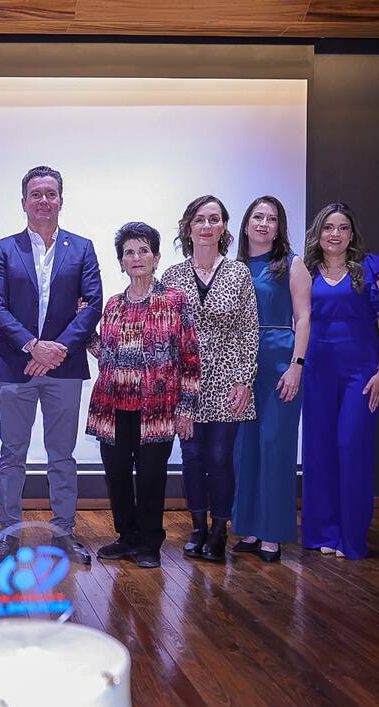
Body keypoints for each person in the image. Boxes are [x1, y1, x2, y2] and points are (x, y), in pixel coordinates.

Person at [0, 165, 103, 566]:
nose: (44, 201)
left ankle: (65, 533)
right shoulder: (4, 248)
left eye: (50, 194)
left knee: (62, 455)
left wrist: (57, 351)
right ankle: (7, 534)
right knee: (12, 454)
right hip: (17, 366)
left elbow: (92, 306)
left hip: (65, 369)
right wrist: (33, 346)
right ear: (23, 202)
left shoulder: (82, 248)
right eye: (36, 194)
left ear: (61, 200)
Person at [86, 222, 201, 568]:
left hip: (157, 408)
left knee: (152, 477)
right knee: (118, 476)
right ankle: (127, 537)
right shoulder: (113, 305)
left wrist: (187, 408)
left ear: (156, 257)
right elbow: (105, 352)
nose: (136, 258)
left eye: (143, 250)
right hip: (112, 407)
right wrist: (82, 326)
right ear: (121, 262)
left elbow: (191, 357)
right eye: (129, 252)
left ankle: (150, 542)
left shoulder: (174, 301)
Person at [161, 195, 259, 563]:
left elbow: (249, 329)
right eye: (200, 219)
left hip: (228, 381)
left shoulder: (238, 273)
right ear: (189, 228)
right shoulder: (172, 277)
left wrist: (245, 379)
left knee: (219, 458)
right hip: (186, 384)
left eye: (214, 219)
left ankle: (220, 531)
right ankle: (197, 527)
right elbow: (166, 337)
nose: (206, 226)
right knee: (191, 456)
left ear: (223, 227)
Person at [301, 203, 379, 560]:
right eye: (328, 227)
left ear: (352, 234)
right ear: (319, 233)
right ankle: (323, 531)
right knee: (319, 451)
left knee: (351, 448)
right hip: (316, 372)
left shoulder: (372, 267)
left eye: (342, 227)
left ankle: (350, 537)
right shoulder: (306, 270)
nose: (335, 234)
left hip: (361, 373)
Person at [231, 196, 311, 563]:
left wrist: (297, 364)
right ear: (246, 224)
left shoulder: (292, 264)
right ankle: (247, 526)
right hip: (239, 362)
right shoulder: (234, 267)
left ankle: (273, 534)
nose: (264, 223)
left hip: (279, 360)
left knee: (275, 446)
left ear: (279, 227)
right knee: (244, 447)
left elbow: (305, 318)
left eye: (272, 218)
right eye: (258, 217)